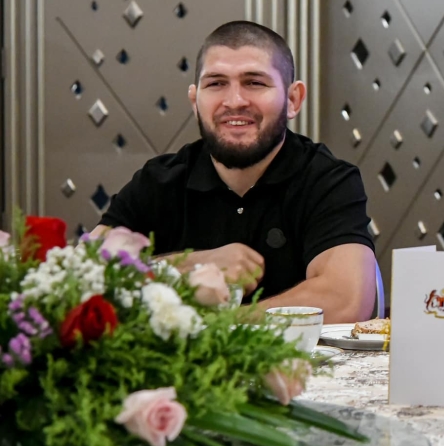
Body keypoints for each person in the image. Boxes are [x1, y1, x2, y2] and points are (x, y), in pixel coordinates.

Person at [94, 21, 377, 322]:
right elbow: (78, 279)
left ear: (293, 99)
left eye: (254, 82)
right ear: (195, 100)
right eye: (216, 83)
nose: (234, 101)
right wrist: (190, 265)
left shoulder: (327, 180)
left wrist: (218, 324)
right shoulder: (158, 181)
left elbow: (346, 299)